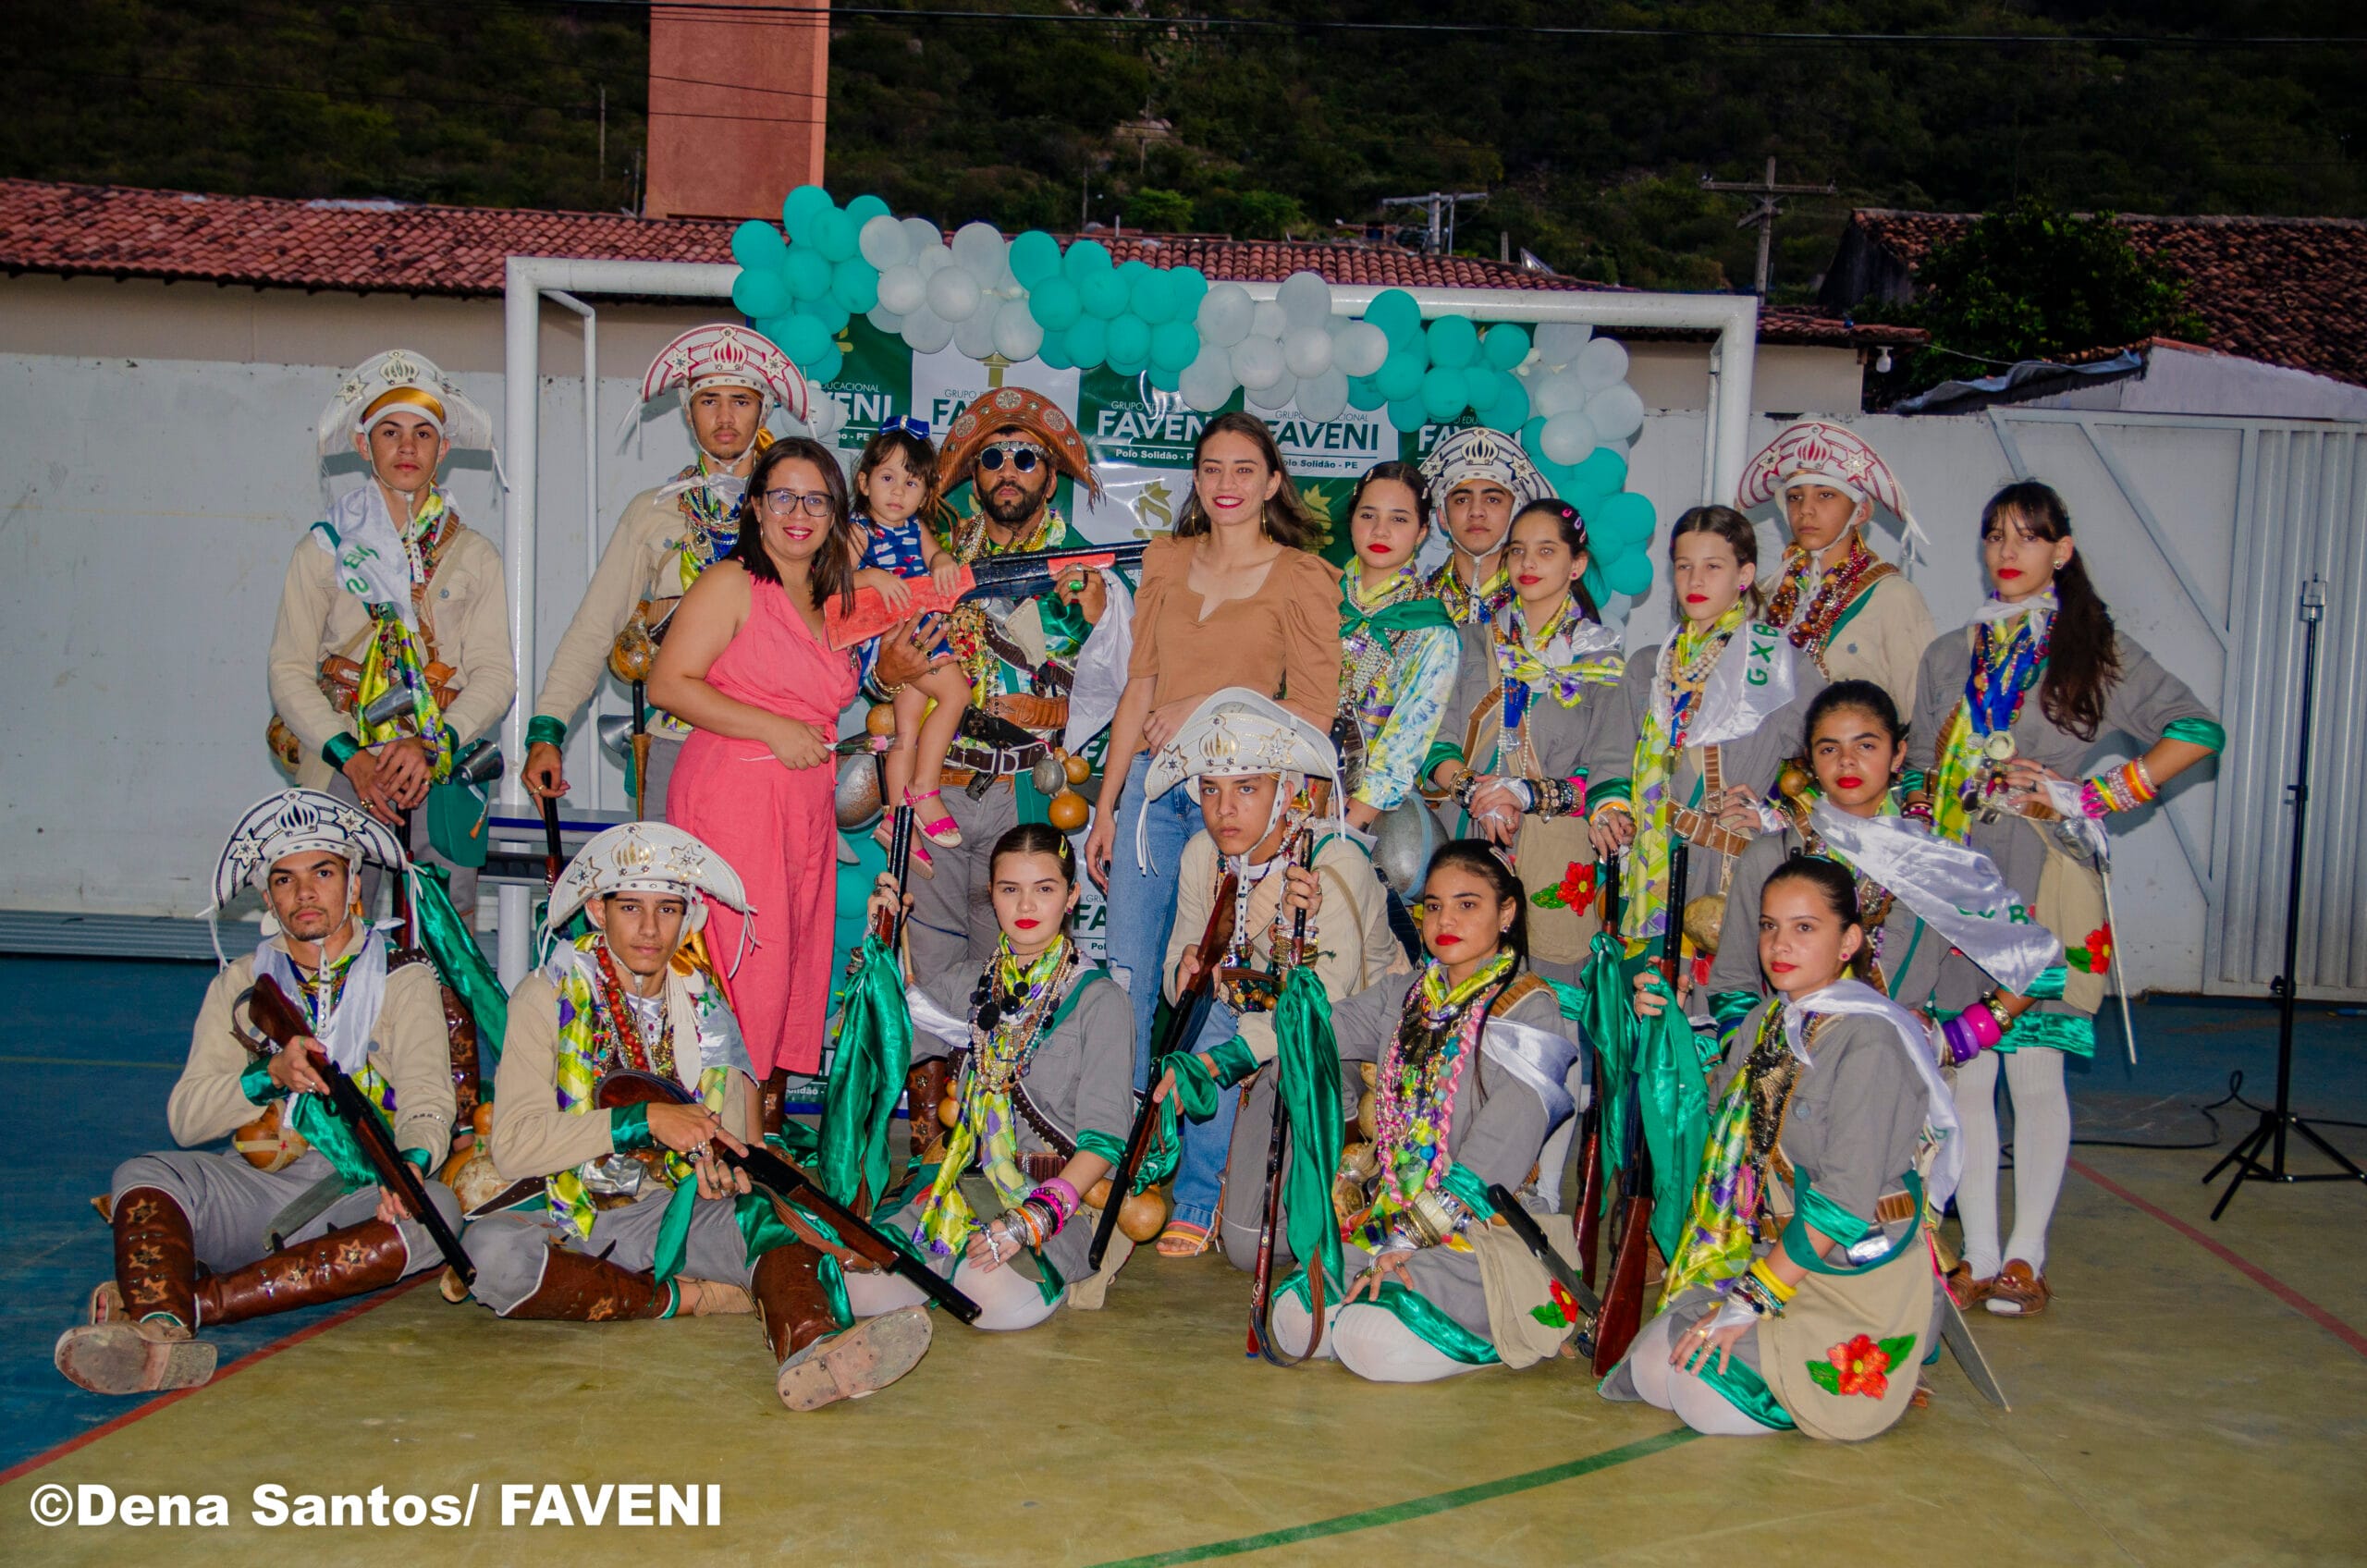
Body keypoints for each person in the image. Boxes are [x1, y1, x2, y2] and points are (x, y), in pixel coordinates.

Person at [462, 822, 933, 1410]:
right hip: (568, 1207)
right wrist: (645, 1121)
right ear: (596, 911)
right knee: (490, 1256)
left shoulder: (703, 1001)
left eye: (667, 909)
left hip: (671, 1210)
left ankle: (815, 1349)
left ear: (687, 918)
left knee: (773, 1218)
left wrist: (729, 1168)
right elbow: (514, 1146)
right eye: (630, 907)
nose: (650, 929)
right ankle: (692, 1298)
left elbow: (740, 1144)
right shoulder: (544, 994)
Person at [1907, 481, 2223, 1317]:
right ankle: (1977, 1256)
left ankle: (2026, 1256)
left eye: (2029, 536)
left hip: (2043, 876)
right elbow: (1917, 771)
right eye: (1995, 536)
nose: (2009, 551)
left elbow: (2197, 730)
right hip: (1958, 880)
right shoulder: (1950, 654)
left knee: (2035, 1067)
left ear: (2062, 550)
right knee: (1967, 1071)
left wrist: (2091, 796)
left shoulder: (2092, 649)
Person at [55, 790, 462, 1394]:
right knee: (143, 1172)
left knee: (438, 1215)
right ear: (268, 899)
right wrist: (266, 1075)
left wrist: (409, 1168)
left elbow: (429, 1099)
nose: (305, 893)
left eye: (323, 873)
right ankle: (164, 1323)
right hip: (257, 1182)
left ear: (354, 886)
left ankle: (180, 1313)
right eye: (284, 880)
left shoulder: (403, 978)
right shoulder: (241, 984)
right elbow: (186, 1120)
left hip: (355, 1194)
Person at [1607, 858, 1961, 1439]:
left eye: (1805, 928)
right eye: (1769, 926)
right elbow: (1705, 1124)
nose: (1779, 944)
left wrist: (1749, 1301)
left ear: (1849, 941)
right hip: (1770, 1251)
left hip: (1848, 1267)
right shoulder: (1770, 1020)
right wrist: (1662, 1029)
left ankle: (1872, 1361)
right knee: (1651, 1372)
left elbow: (1844, 1202)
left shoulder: (1871, 1039)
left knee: (1698, 1394)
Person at [1214, 841, 1585, 1382]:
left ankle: (1477, 1323)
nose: (1445, 921)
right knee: (1293, 1318)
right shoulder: (1406, 993)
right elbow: (1311, 1030)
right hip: (1387, 1217)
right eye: (1433, 906)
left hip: (1477, 1230)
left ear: (1506, 913)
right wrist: (1217, 1059)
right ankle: (1383, 1302)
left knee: (1367, 1339)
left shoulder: (1530, 1011)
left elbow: (1495, 1158)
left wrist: (1409, 1239)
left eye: (1467, 905)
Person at [1085, 413, 1343, 1077]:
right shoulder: (1166, 559)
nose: (1227, 483)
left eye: (1244, 470)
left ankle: (1201, 1130)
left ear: (1272, 483)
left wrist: (1204, 707)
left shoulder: (1302, 575)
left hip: (1238, 802)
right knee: (1127, 972)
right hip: (1151, 793)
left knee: (1217, 983)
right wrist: (1107, 806)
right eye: (1212, 469)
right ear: (1196, 481)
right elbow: (1140, 688)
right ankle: (1121, 1125)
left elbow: (1314, 711)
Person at [870, 386, 1119, 979]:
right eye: (992, 458)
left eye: (1026, 458)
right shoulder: (936, 559)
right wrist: (887, 675)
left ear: (1050, 480)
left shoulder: (1091, 568)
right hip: (937, 788)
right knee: (929, 974)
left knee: (1015, 973)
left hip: (1026, 793)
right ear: (975, 480)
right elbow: (875, 668)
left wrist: (1052, 712)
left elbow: (1123, 687)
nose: (1008, 471)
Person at [1141, 690, 1401, 1256]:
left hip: (1336, 1043)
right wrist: (1185, 972)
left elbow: (1325, 1001)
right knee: (1204, 1015)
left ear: (1285, 793)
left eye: (1246, 788)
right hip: (1249, 1025)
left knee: (1255, 1246)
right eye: (1210, 789)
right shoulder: (1201, 855)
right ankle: (1198, 1198)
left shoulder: (1333, 861)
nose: (1224, 809)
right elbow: (1178, 962)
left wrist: (1227, 1057)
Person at [847, 825, 1133, 1329]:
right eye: (1010, 889)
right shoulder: (970, 983)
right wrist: (878, 945)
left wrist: (1033, 1219)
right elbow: (881, 1041)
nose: (1026, 905)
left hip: (1058, 1199)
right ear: (992, 895)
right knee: (850, 1284)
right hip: (963, 1186)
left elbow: (1105, 1142)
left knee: (983, 1298)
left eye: (1044, 888)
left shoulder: (1099, 999)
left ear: (1071, 897)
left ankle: (957, 1274)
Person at [521, 325, 810, 817]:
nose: (724, 417)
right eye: (708, 401)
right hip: (676, 738)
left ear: (763, 411)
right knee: (669, 868)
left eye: (741, 401)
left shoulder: (797, 514)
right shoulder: (653, 511)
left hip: (772, 740)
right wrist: (547, 729)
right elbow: (595, 626)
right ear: (687, 412)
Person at [268, 349, 514, 915]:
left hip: (440, 764)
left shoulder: (474, 555)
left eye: (423, 434)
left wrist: (433, 743)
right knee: (332, 927)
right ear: (364, 445)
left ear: (443, 450)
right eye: (390, 432)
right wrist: (350, 758)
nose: (407, 447)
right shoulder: (324, 549)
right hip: (343, 761)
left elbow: (495, 674)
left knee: (445, 934)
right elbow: (288, 670)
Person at [648, 437, 860, 1084]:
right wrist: (773, 728)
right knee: (736, 971)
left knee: (784, 972)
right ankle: (717, 1125)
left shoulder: (829, 595)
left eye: (816, 500)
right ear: (756, 506)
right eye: (783, 496)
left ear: (835, 514)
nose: (799, 513)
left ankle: (750, 1125)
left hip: (802, 806)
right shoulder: (732, 581)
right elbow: (667, 683)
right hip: (735, 801)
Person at [1697, 681, 2061, 1052]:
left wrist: (1955, 1042)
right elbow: (1732, 982)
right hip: (1789, 1066)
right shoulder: (1771, 856)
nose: (1846, 761)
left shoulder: (1935, 861)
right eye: (1829, 749)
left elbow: (2041, 966)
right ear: (1810, 759)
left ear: (1898, 754)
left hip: (1895, 1063)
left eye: (1866, 746)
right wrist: (1750, 1057)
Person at [1601, 506, 1826, 964]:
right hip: (1643, 868)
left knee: (1710, 999)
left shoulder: (1778, 666)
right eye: (1684, 566)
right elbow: (1611, 757)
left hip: (1724, 873)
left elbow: (1840, 765)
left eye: (1713, 567)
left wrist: (1776, 817)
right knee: (1638, 997)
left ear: (1744, 575)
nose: (1696, 580)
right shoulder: (1648, 665)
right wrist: (1611, 810)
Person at [1425, 498, 1632, 984]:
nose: (1528, 563)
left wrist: (1526, 794)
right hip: (1471, 835)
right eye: (1517, 551)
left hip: (1555, 851)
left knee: (1550, 996)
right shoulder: (1470, 642)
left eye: (1546, 551)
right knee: (1464, 988)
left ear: (1576, 564)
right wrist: (1476, 791)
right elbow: (1435, 744)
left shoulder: (1600, 662)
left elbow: (1610, 771)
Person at [1736, 420, 1936, 713]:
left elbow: (1922, 712)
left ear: (1861, 511)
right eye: (1795, 497)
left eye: (1825, 495)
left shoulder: (1893, 598)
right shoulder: (1766, 594)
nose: (1805, 509)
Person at [846, 417, 973, 856]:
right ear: (864, 482)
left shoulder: (915, 527)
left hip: (917, 628)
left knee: (907, 729)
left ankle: (898, 820)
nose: (898, 492)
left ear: (926, 492)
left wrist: (942, 561)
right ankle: (924, 786)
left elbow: (935, 554)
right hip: (893, 637)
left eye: (912, 482)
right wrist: (873, 577)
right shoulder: (858, 529)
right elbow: (832, 582)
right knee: (956, 694)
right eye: (887, 478)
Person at [1335, 460, 1461, 835]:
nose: (1380, 530)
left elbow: (1407, 739)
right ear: (1351, 521)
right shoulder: (1318, 597)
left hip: (1367, 817)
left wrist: (1347, 827)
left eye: (1399, 519)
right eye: (1368, 515)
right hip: (1285, 788)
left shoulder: (1430, 628)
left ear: (1422, 531)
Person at [1419, 426, 1553, 627]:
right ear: (1442, 516)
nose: (1476, 511)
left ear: (1517, 514)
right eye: (1462, 500)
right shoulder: (1416, 604)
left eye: (1492, 499)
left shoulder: (1545, 604)